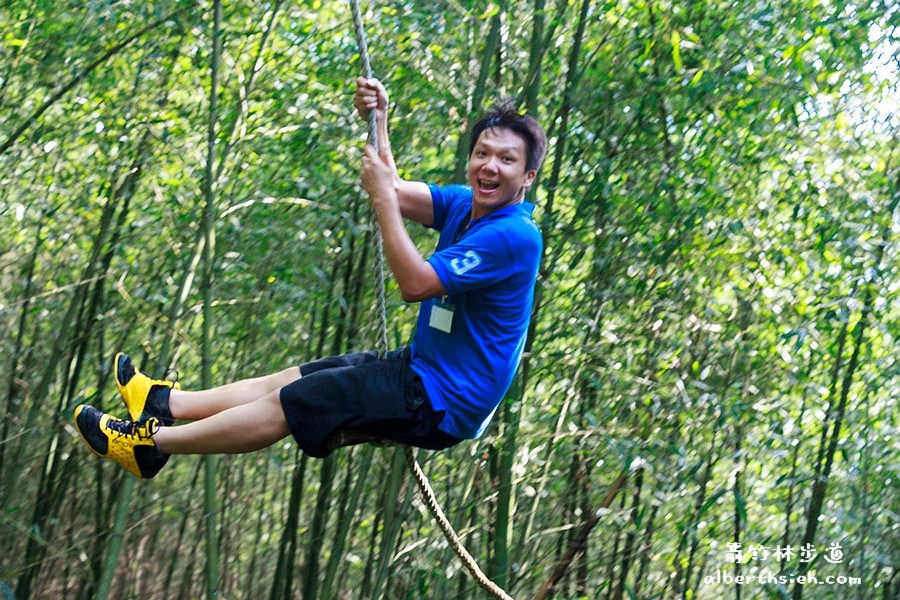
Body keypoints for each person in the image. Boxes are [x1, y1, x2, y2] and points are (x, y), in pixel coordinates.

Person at [73, 78, 547, 478]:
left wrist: (383, 197)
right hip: (420, 368)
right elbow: (396, 189)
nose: (490, 166)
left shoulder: (514, 236)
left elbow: (416, 283)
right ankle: (164, 402)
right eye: (482, 153)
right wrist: (380, 120)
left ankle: (150, 445)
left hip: (441, 403)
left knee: (294, 401)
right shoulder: (467, 203)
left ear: (527, 177)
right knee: (295, 377)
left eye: (506, 160)